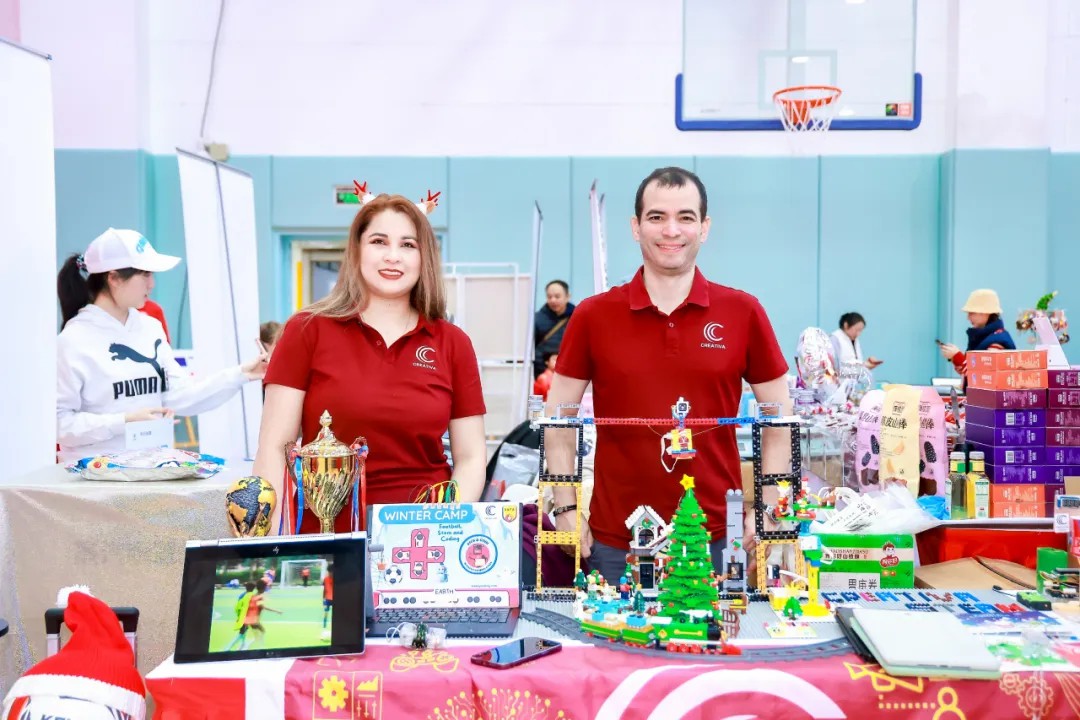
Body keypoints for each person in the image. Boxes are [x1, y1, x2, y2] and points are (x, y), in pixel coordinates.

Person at [545, 167, 792, 585]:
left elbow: (779, 419)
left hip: (716, 537)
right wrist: (566, 507)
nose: (671, 230)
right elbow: (559, 419)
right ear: (636, 227)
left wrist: (770, 507)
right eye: (657, 217)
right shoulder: (593, 315)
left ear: (705, 228)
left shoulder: (743, 312)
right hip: (616, 540)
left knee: (718, 629)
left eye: (686, 217)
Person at [253, 193, 488, 534]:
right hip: (327, 535)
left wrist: (444, 528)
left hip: (423, 536)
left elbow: (471, 457)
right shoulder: (306, 330)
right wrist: (271, 543)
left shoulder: (453, 343)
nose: (393, 256)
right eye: (379, 241)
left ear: (424, 257)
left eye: (408, 244)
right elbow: (275, 448)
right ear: (357, 250)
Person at [55, 228, 268, 463]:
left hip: (154, 469)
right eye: (145, 274)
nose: (152, 284)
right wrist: (123, 421)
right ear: (113, 278)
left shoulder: (150, 327)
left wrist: (242, 374)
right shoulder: (72, 340)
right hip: (93, 475)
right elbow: (59, 424)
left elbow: (179, 396)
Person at [939, 289, 1016, 375]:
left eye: (971, 313)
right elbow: (969, 371)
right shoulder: (984, 337)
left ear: (985, 313)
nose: (968, 318)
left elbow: (981, 377)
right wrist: (954, 357)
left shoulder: (997, 343)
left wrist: (957, 356)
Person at [534, 280, 575, 378]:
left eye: (557, 296)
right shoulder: (537, 319)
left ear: (567, 296)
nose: (553, 300)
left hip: (570, 375)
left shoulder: (577, 318)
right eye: (549, 297)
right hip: (543, 376)